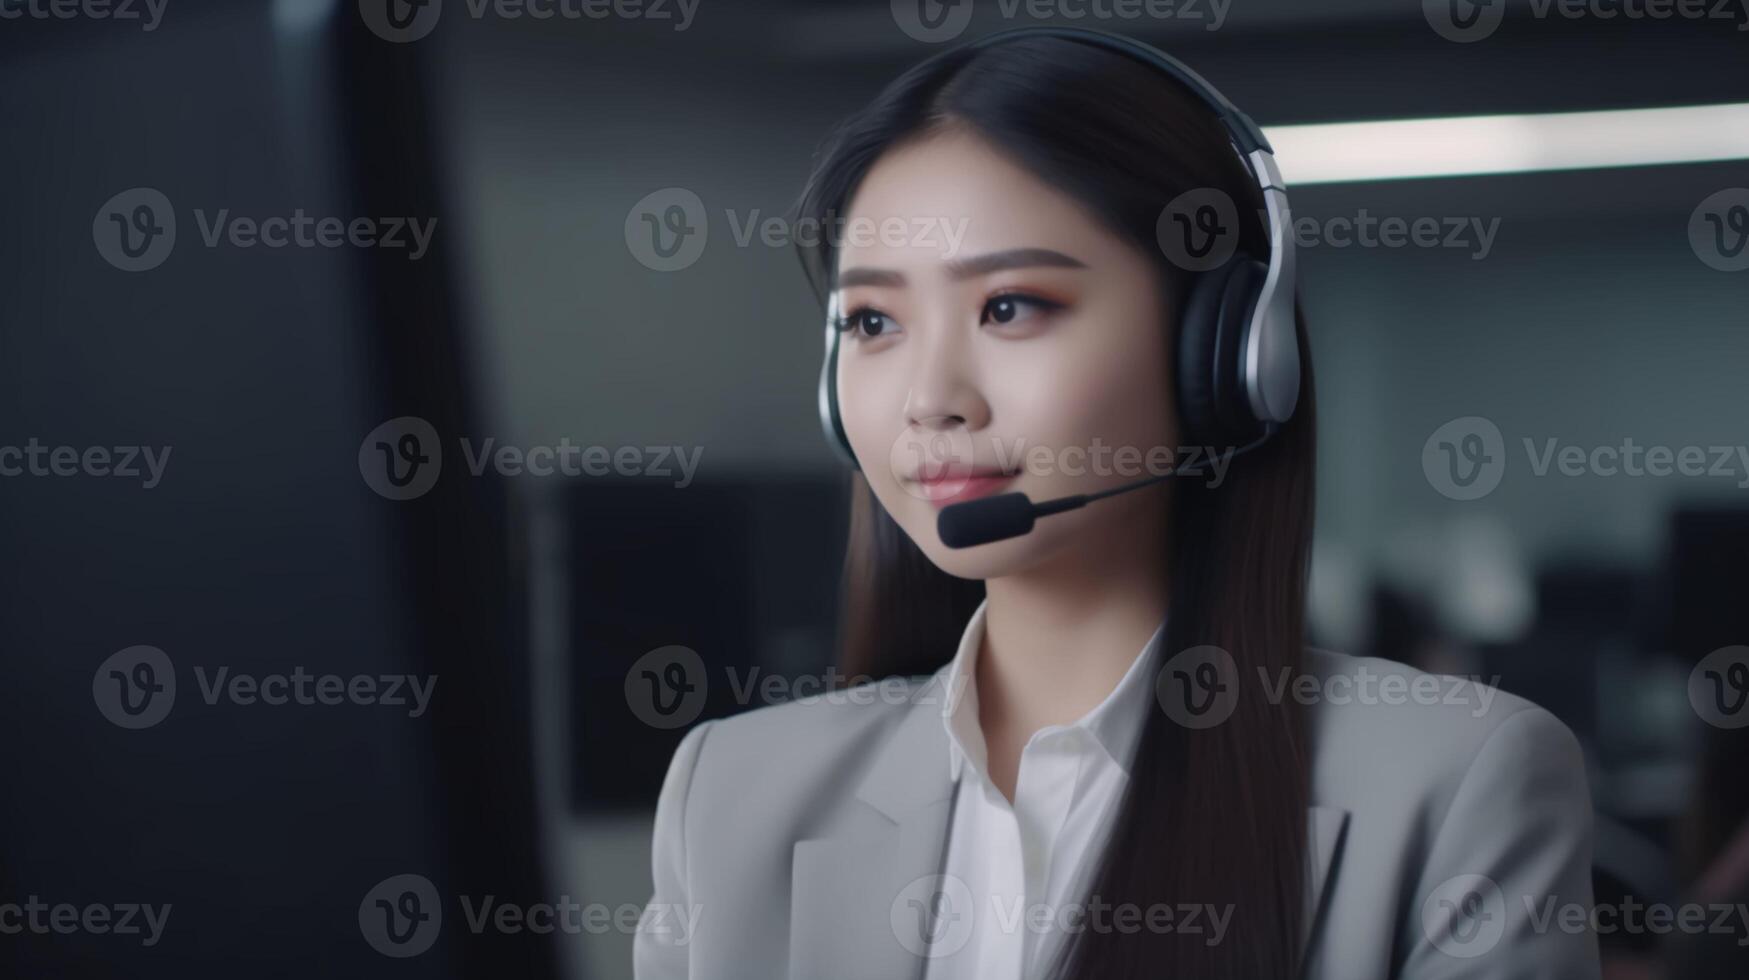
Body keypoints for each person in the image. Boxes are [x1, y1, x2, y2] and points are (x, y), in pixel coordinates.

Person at [634, 27, 1599, 980]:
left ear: (1224, 355)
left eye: (1009, 306)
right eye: (873, 321)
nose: (931, 397)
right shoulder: (730, 793)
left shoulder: (1457, 782)